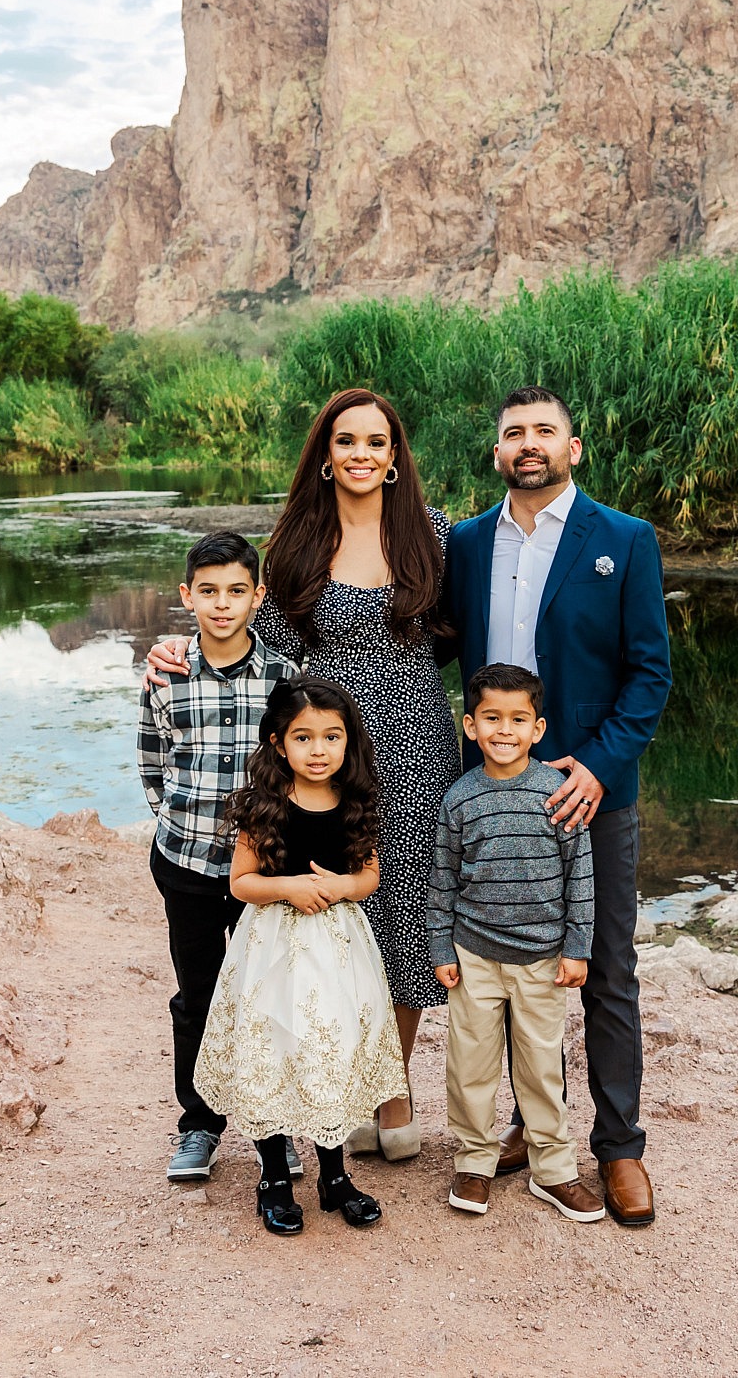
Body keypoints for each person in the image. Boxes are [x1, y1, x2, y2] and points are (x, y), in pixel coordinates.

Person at [146, 387, 459, 1160]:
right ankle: (336, 1077)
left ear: (394, 458)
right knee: (337, 909)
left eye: (376, 442)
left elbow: (468, 632)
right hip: (328, 746)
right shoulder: (294, 542)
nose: (361, 453)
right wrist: (178, 647)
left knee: (405, 908)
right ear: (325, 453)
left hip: (419, 738)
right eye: (346, 440)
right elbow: (250, 636)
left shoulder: (436, 536)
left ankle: (393, 1087)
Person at [441, 385, 672, 1228]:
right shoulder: (464, 544)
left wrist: (601, 768)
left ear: (575, 446)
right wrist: (216, 641)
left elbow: (651, 674)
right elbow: (397, 631)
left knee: (605, 969)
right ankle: (530, 1129)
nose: (528, 443)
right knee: (504, 967)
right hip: (491, 797)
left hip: (587, 796)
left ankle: (620, 1149)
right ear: (497, 451)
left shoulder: (625, 540)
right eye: (513, 433)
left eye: (545, 431)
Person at [192, 675, 405, 1236]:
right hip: (272, 948)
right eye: (304, 737)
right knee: (273, 1046)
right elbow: (240, 884)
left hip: (337, 946)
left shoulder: (355, 800)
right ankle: (275, 1178)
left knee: (329, 1047)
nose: (318, 750)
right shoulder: (266, 807)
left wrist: (338, 887)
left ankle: (335, 1177)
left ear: (347, 741)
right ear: (277, 742)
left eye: (331, 737)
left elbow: (369, 877)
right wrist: (287, 886)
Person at [135, 531, 296, 1185]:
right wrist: (180, 818)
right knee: (197, 996)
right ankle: (199, 1124)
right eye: (208, 591)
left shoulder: (286, 675)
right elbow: (152, 761)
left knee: (268, 997)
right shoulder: (167, 675)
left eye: (236, 590)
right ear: (187, 595)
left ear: (258, 595)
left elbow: (302, 762)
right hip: (189, 865)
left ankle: (274, 1131)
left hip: (265, 871)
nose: (222, 604)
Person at [429, 662, 603, 1223]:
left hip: (542, 960)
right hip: (474, 954)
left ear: (539, 727)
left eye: (517, 719)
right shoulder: (459, 798)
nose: (504, 730)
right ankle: (475, 1161)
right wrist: (441, 949)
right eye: (491, 719)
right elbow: (443, 879)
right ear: (470, 726)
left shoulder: (557, 794)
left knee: (540, 1068)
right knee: (471, 1064)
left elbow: (580, 874)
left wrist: (578, 947)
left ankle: (553, 1170)